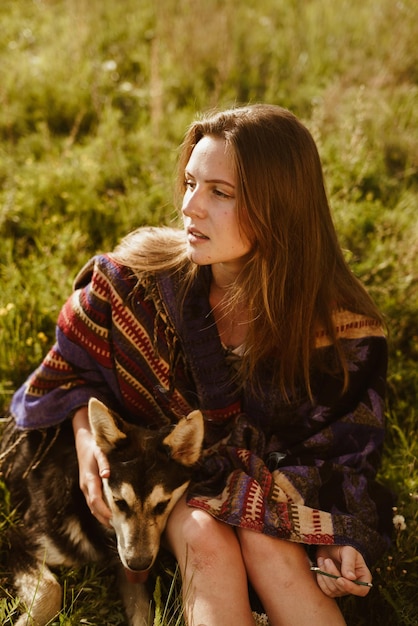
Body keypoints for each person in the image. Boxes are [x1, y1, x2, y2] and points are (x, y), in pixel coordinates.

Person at [9, 104, 392, 625]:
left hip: (266, 490)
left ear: (279, 209)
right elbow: (69, 374)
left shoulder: (338, 329)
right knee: (204, 539)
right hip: (175, 486)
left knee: (268, 544)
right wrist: (86, 444)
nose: (189, 206)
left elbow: (345, 454)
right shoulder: (133, 284)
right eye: (190, 182)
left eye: (219, 192)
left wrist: (332, 539)